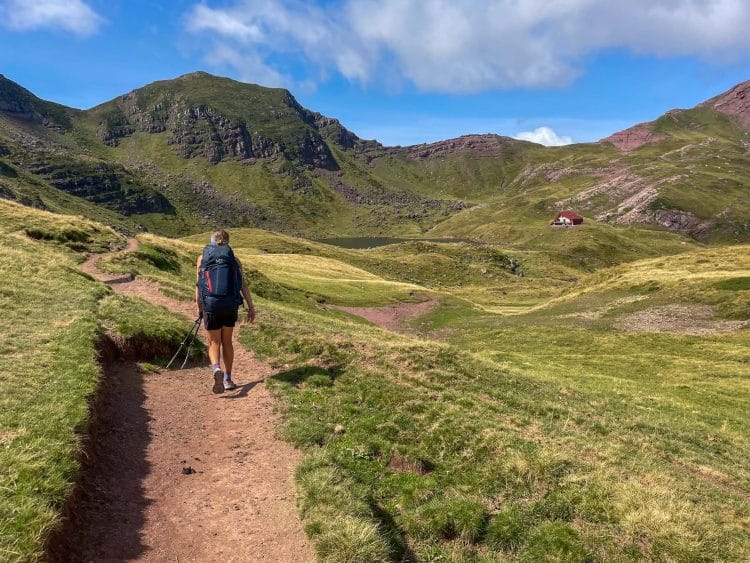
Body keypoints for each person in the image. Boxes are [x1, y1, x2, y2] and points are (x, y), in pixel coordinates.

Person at [196, 229, 256, 393]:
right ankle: (228, 379)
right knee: (227, 341)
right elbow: (243, 285)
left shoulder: (203, 258)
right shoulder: (234, 260)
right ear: (228, 242)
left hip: (211, 304)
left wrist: (200, 308)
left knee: (214, 342)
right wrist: (251, 308)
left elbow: (199, 285)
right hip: (230, 305)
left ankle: (216, 368)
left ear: (212, 240)